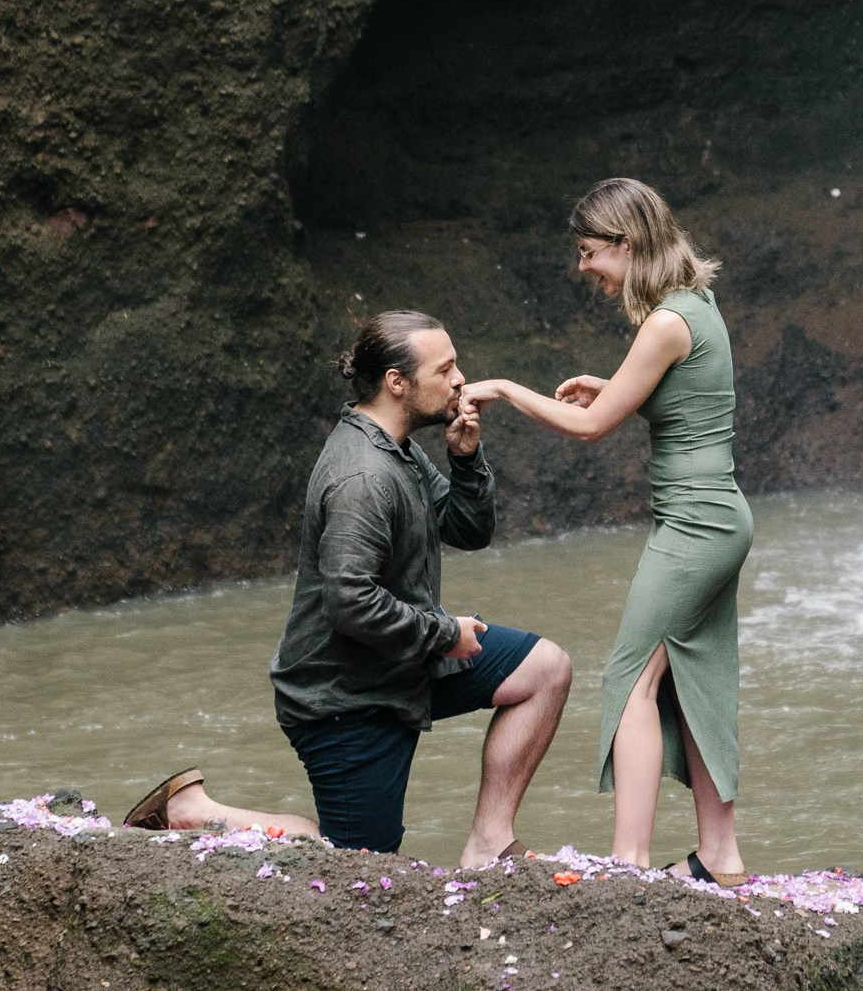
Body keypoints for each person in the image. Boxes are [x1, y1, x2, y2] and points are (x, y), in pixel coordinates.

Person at [124, 311, 572, 867]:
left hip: (399, 662)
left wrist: (464, 458)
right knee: (357, 862)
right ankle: (193, 812)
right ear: (396, 382)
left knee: (544, 669)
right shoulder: (364, 475)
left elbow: (467, 530)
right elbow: (349, 601)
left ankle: (489, 842)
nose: (461, 379)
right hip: (342, 696)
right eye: (447, 368)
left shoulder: (396, 447)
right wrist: (441, 633)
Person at [464, 178, 752, 887]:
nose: (585, 266)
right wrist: (618, 381)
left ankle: (628, 864)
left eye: (591, 252)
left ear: (626, 244)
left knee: (631, 679)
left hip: (695, 526)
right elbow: (686, 394)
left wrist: (503, 389)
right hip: (719, 519)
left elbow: (592, 428)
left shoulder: (663, 324)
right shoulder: (695, 307)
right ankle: (720, 854)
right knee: (694, 679)